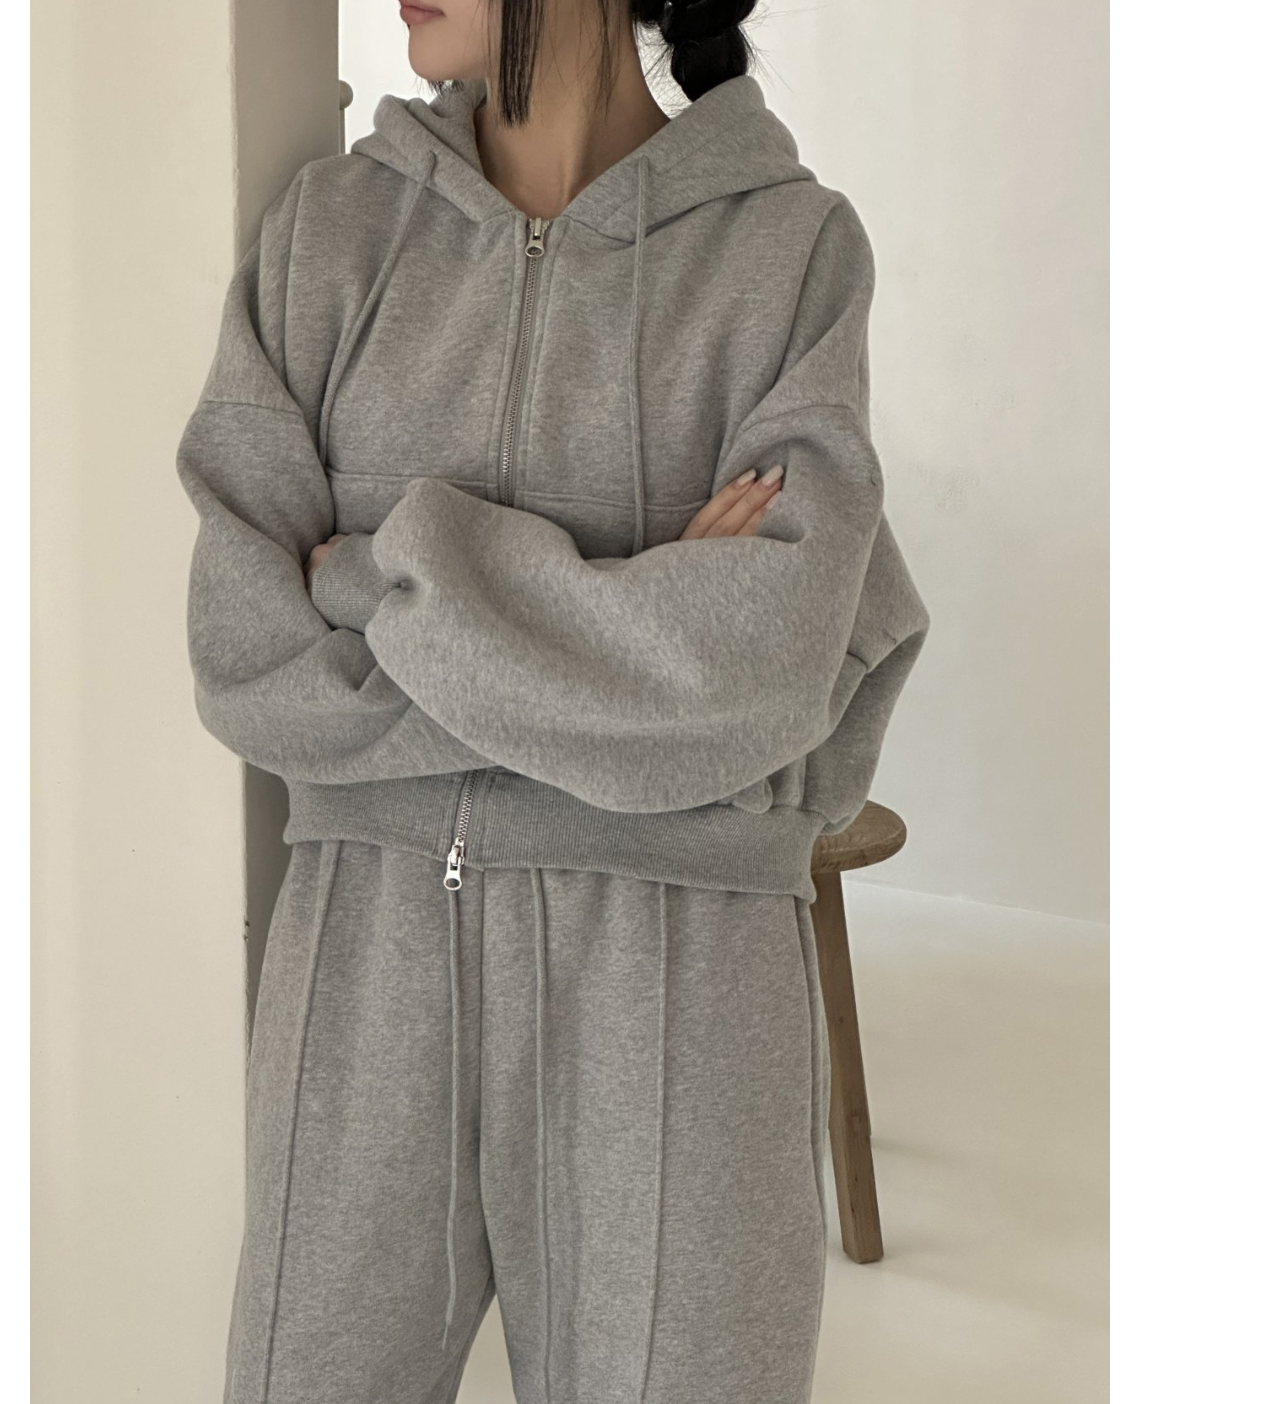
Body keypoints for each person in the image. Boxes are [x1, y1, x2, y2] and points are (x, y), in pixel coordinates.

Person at [175, 0, 930, 1400]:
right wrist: (636, 634)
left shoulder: (789, 253)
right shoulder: (332, 237)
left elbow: (764, 667)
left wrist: (373, 581)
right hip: (366, 959)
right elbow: (245, 658)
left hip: (682, 973)